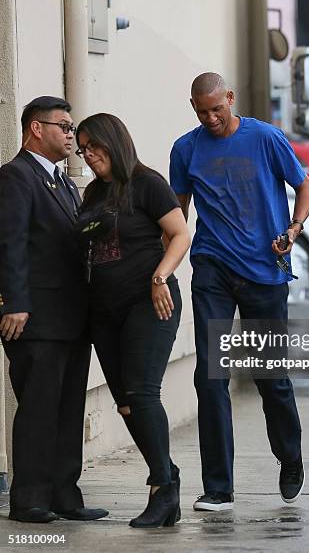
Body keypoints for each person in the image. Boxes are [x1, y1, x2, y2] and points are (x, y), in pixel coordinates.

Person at [170, 72, 309, 511]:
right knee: (210, 376)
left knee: (270, 376)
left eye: (217, 108)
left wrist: (293, 228)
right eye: (202, 111)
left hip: (264, 271)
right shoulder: (186, 149)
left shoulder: (265, 138)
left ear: (230, 98)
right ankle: (219, 487)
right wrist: (164, 266)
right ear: (193, 107)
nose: (211, 117)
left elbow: (304, 185)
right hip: (212, 268)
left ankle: (290, 458)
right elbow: (178, 214)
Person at [75, 113, 191, 528]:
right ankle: (168, 480)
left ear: (114, 142)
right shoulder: (91, 193)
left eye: (95, 147)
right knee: (126, 404)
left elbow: (180, 234)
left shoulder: (147, 183)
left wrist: (160, 277)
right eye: (83, 149)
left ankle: (162, 487)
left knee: (142, 393)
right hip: (105, 311)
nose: (89, 155)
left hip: (149, 302)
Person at [0, 96, 107, 523]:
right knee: (40, 408)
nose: (70, 134)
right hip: (36, 317)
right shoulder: (15, 177)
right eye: (62, 126)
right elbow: (9, 245)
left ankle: (65, 494)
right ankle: (29, 499)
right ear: (35, 129)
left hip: (71, 317)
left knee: (67, 408)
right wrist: (14, 303)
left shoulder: (62, 182)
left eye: (71, 126)